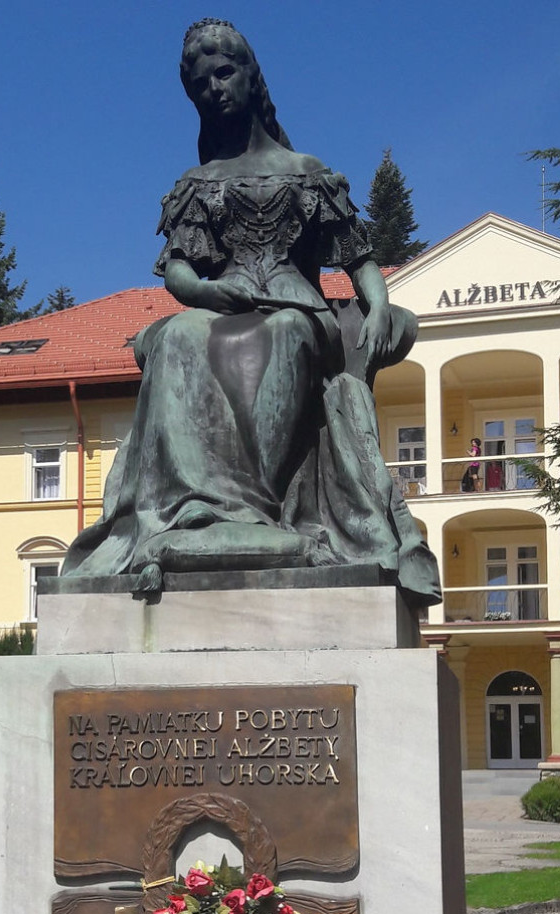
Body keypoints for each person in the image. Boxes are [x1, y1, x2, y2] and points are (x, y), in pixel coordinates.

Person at [61, 20, 440, 602]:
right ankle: (198, 510)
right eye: (200, 83)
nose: (213, 88)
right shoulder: (197, 182)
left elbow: (359, 261)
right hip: (224, 306)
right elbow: (181, 269)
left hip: (298, 307)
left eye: (224, 73)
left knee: (286, 331)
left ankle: (253, 509)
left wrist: (381, 305)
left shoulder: (308, 172)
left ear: (250, 75)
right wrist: (207, 295)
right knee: (177, 338)